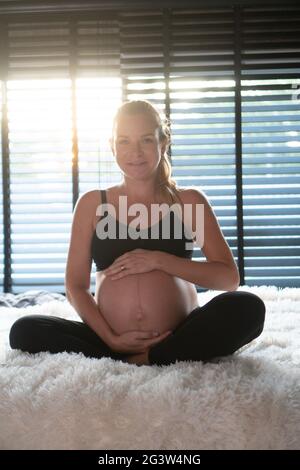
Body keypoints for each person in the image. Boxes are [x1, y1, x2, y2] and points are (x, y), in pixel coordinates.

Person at [9, 100, 265, 367]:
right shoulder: (92, 204)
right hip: (109, 339)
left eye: (145, 140)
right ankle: (140, 356)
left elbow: (227, 279)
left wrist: (159, 260)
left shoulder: (189, 202)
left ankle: (142, 358)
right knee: (26, 330)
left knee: (247, 307)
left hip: (178, 332)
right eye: (124, 141)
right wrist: (110, 338)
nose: (135, 152)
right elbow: (76, 286)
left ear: (163, 143)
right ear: (112, 146)